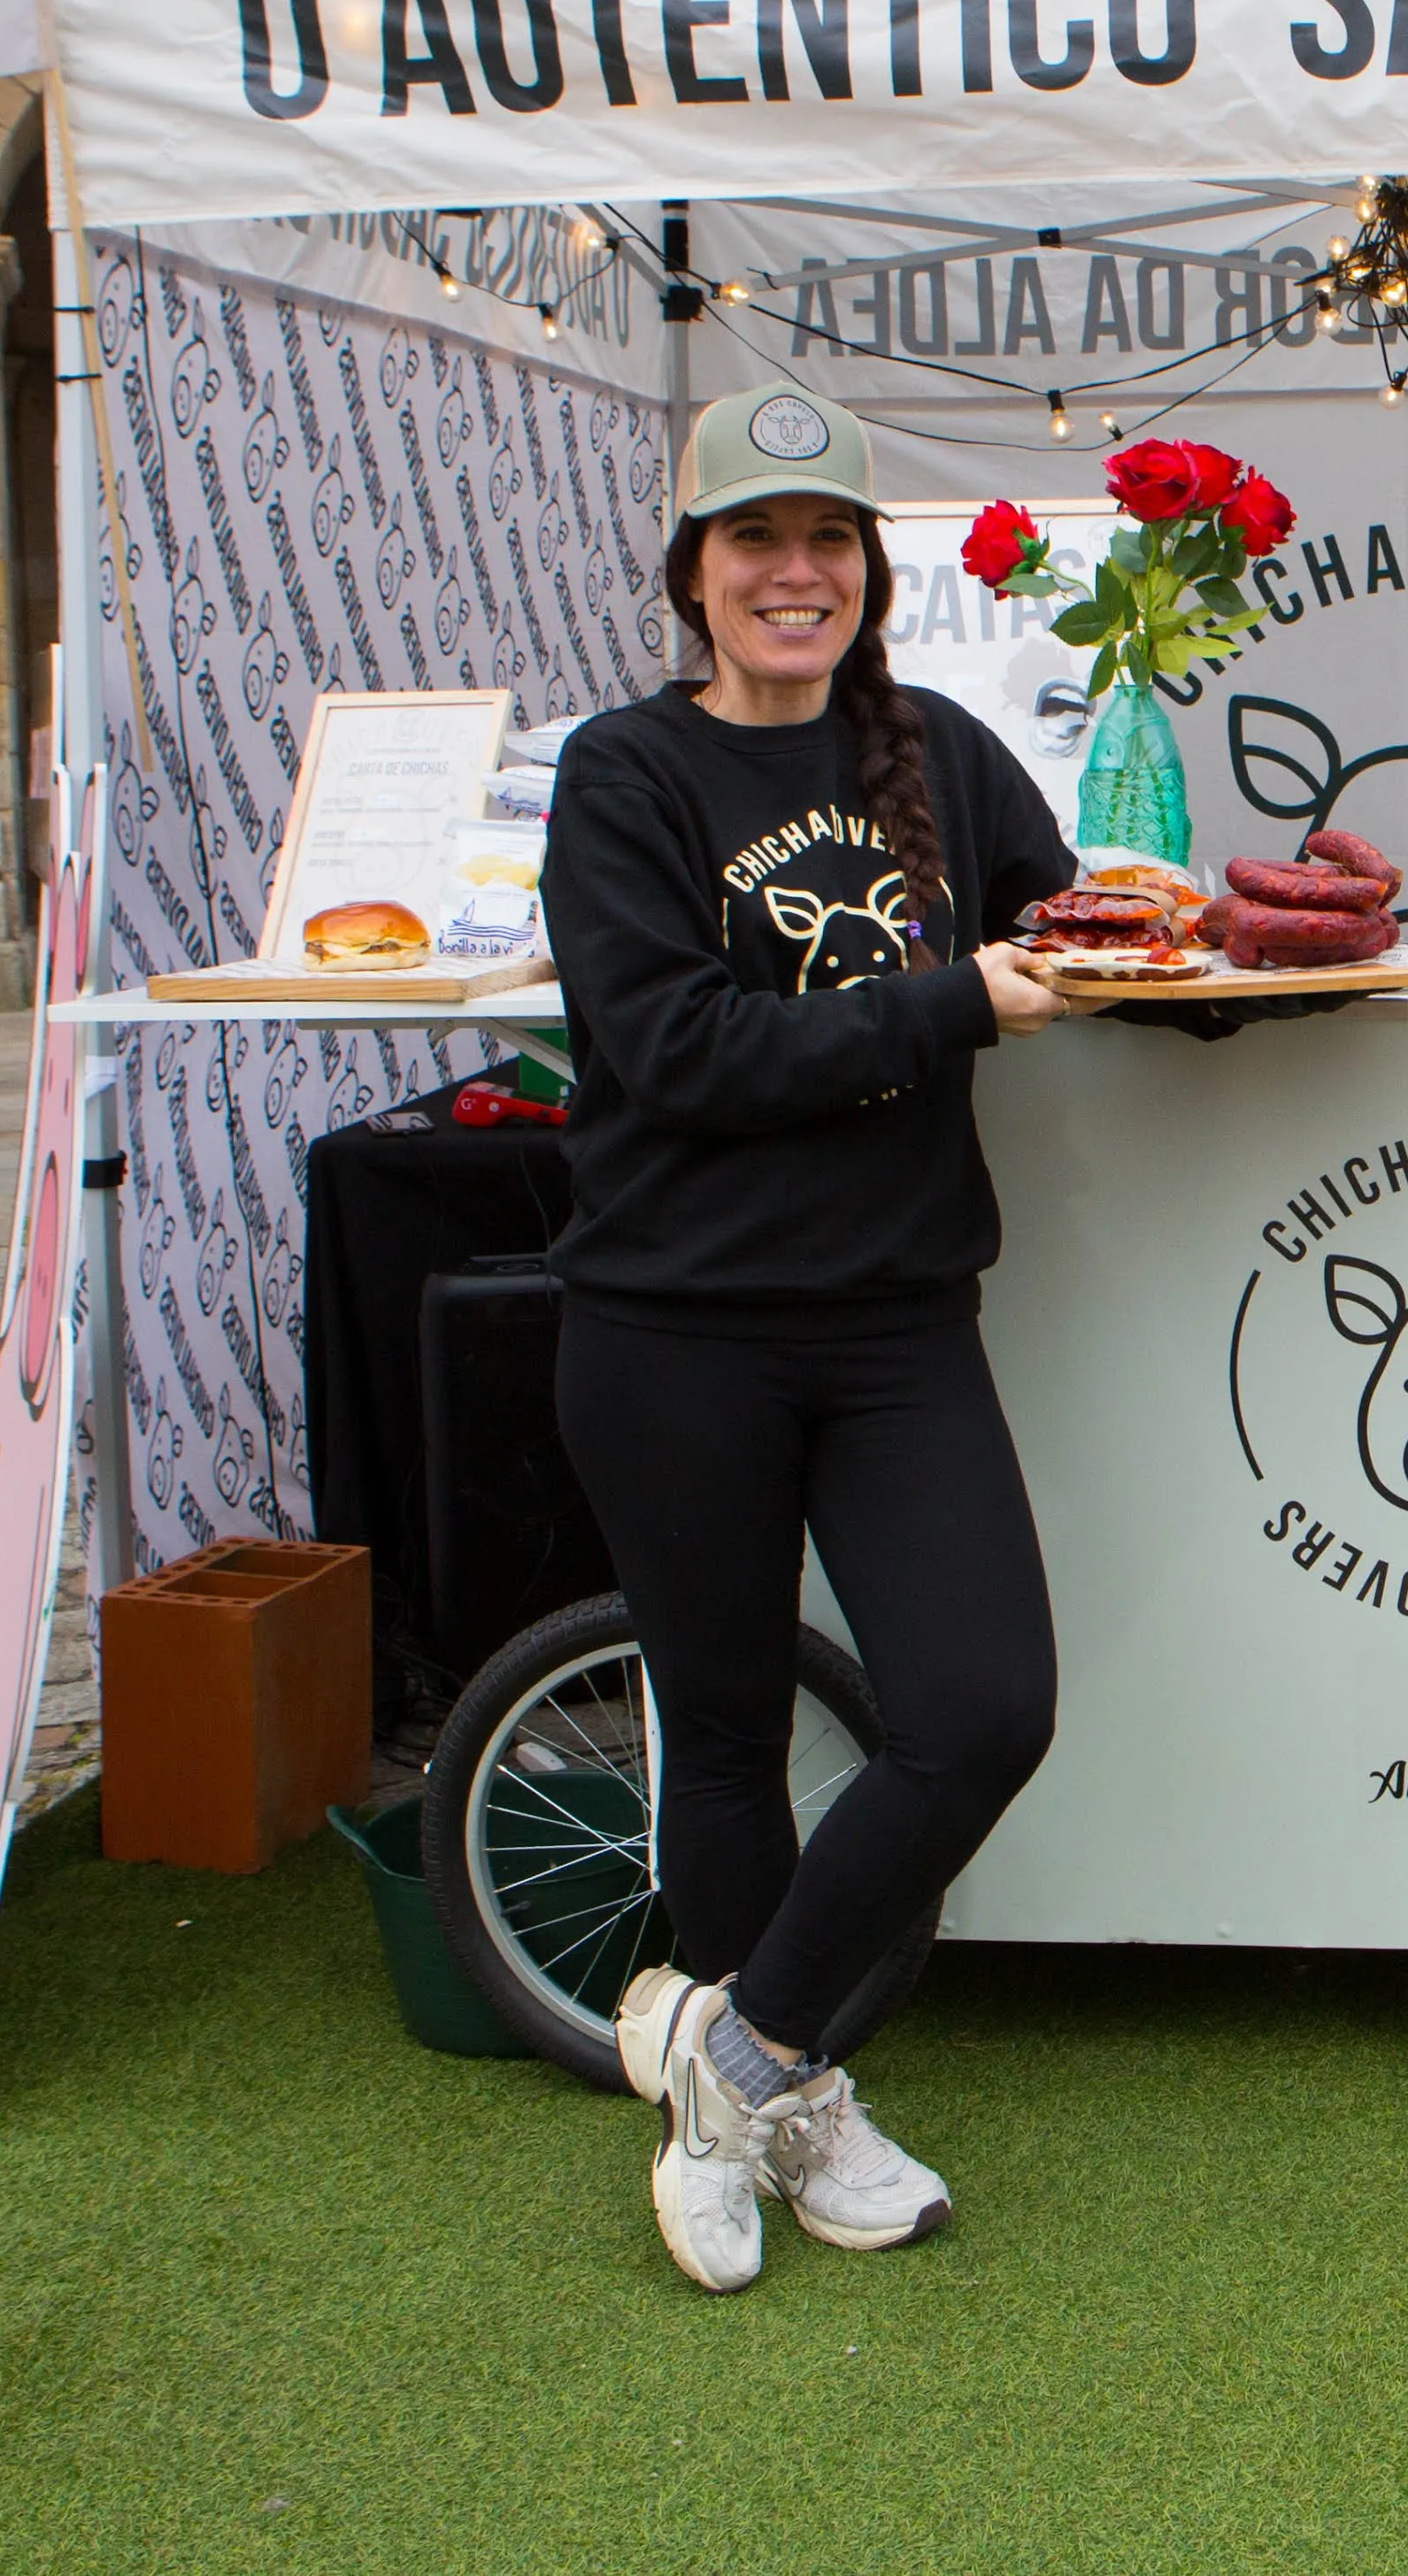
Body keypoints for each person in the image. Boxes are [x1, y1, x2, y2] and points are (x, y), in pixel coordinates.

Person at [539, 382, 1079, 2295]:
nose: (795, 572)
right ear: (691, 572)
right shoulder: (624, 774)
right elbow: (677, 1048)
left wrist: (1188, 956)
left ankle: (739, 2051)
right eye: (754, 540)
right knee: (733, 1737)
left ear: (871, 570)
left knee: (979, 1707)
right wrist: (958, 1007)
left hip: (895, 1323)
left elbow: (1060, 926)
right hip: (675, 1330)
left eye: (828, 540)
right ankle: (793, 2097)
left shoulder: (933, 743)